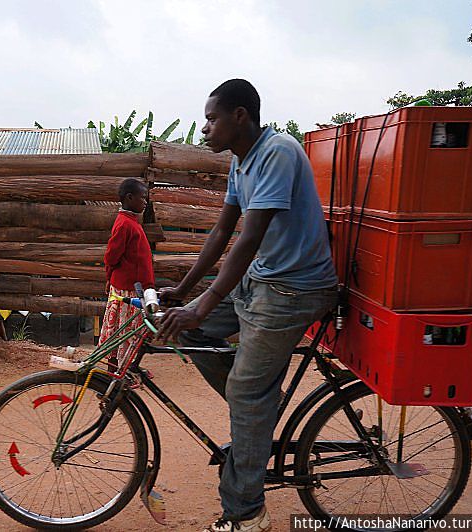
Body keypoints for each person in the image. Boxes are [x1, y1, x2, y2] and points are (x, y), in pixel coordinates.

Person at [157, 79, 338, 532]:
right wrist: (185, 292)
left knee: (245, 391)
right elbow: (222, 233)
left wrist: (204, 301)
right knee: (194, 332)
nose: (204, 129)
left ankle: (246, 514)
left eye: (211, 118)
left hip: (295, 290)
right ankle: (257, 411)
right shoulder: (242, 162)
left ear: (240, 116)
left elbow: (250, 235)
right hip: (264, 282)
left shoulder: (276, 152)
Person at [99, 178, 155, 371]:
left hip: (133, 287)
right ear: (130, 198)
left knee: (126, 331)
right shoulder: (125, 224)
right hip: (127, 290)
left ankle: (121, 368)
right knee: (123, 332)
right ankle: (117, 371)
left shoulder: (130, 222)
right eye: (143, 198)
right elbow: (111, 256)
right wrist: (109, 277)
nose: (146, 202)